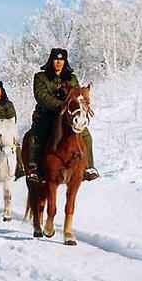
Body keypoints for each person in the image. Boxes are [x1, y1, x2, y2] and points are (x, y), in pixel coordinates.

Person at [26, 48, 99, 182]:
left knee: (86, 135)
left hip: (67, 115)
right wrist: (60, 105)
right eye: (56, 59)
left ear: (65, 62)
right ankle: (34, 168)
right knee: (36, 135)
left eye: (61, 60)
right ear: (51, 60)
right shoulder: (40, 77)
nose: (58, 62)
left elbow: (77, 95)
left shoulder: (72, 78)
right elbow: (41, 96)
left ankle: (89, 167)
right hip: (47, 114)